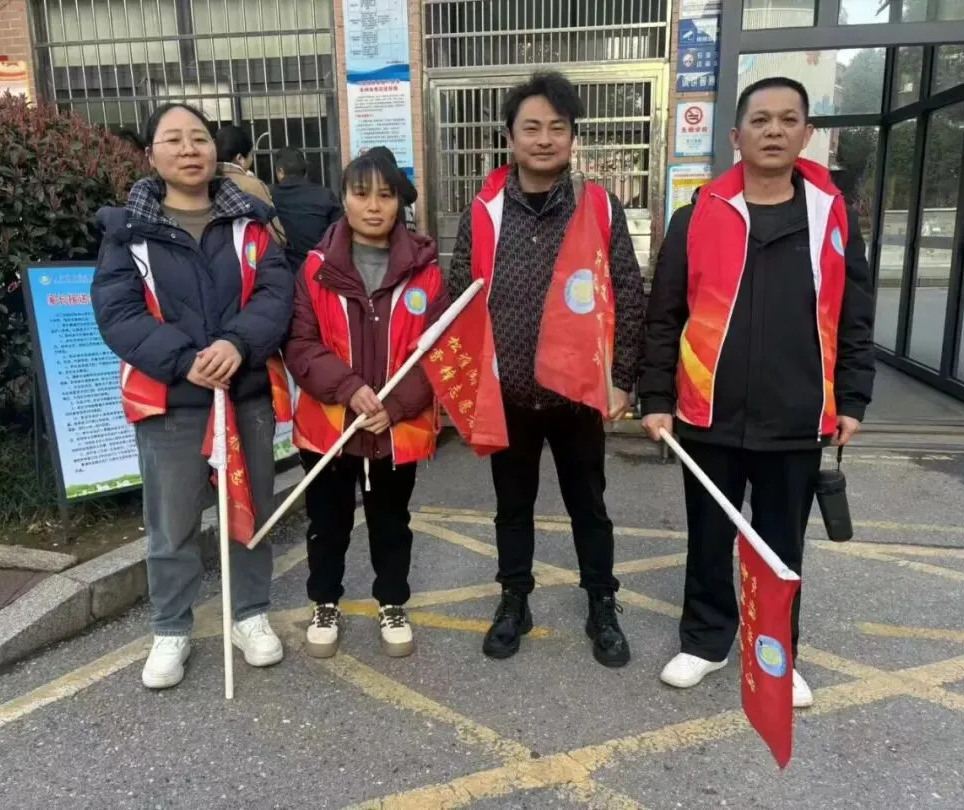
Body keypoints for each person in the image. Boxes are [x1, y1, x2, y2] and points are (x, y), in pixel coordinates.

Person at [639, 77, 875, 708]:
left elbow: (854, 313)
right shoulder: (695, 218)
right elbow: (664, 316)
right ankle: (705, 641)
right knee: (709, 536)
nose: (774, 130)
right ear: (735, 135)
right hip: (708, 411)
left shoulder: (831, 219)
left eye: (789, 120)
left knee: (781, 543)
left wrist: (853, 398)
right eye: (761, 119)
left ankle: (777, 652)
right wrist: (655, 398)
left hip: (797, 413)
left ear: (807, 134)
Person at [92, 103, 295, 689]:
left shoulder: (252, 223)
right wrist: (185, 361)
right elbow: (118, 311)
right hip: (170, 402)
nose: (188, 149)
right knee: (172, 522)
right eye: (174, 139)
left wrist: (237, 343)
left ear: (215, 151)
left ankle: (249, 614)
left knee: (250, 512)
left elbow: (276, 294)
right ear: (151, 154)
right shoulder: (127, 231)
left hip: (245, 394)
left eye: (199, 138)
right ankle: (171, 627)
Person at [446, 71, 645, 668]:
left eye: (557, 128)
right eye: (531, 127)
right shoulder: (484, 211)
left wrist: (622, 378)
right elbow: (459, 297)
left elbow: (627, 291)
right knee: (512, 506)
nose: (544, 139)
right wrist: (468, 386)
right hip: (508, 393)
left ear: (572, 137)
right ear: (509, 137)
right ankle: (515, 599)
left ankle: (601, 603)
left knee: (590, 506)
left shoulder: (598, 207)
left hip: (578, 393)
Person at [283, 152, 450, 659]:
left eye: (385, 195)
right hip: (330, 426)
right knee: (327, 524)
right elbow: (301, 344)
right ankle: (325, 603)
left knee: (391, 523)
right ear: (344, 199)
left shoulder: (426, 272)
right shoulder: (315, 270)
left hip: (394, 430)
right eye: (361, 194)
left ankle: (392, 602)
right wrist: (349, 388)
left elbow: (439, 351)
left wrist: (395, 405)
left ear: (400, 202)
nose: (373, 206)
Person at [271, 146, 342, 270]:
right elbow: (339, 233)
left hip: (284, 269)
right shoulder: (325, 195)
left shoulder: (271, 196)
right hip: (320, 268)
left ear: (280, 171)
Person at [214, 124, 285, 244]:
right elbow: (277, 236)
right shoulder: (252, 185)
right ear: (240, 158)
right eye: (251, 154)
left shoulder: (205, 182)